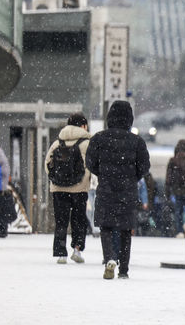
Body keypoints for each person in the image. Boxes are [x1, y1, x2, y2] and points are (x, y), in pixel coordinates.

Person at [86, 100, 150, 280]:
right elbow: (145, 167)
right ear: (130, 118)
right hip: (128, 190)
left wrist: (104, 173)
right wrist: (132, 177)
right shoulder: (136, 141)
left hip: (106, 188)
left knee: (106, 226)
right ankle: (124, 269)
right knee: (125, 228)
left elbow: (90, 163)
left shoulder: (98, 138)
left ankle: (109, 259)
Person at [44, 113, 92, 264]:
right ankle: (77, 249)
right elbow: (92, 165)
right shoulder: (87, 143)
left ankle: (60, 253)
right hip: (80, 188)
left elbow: (47, 164)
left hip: (58, 188)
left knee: (61, 220)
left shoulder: (58, 142)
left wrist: (57, 178)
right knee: (79, 220)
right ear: (83, 126)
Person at [165, 139, 185, 238]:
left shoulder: (173, 161)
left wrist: (167, 193)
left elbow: (168, 178)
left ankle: (179, 231)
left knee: (178, 211)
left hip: (177, 190)